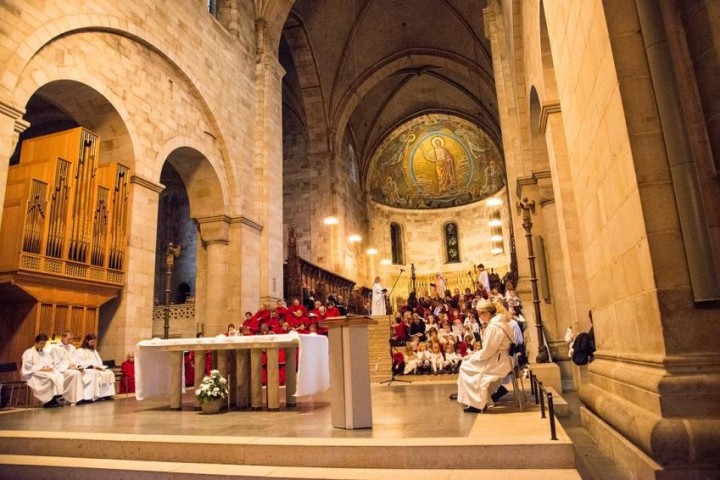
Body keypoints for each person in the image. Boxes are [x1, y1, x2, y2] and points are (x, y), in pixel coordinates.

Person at [452, 299, 515, 413]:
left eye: (480, 314)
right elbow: (489, 350)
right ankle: (483, 400)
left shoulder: (495, 327)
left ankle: (477, 403)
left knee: (465, 367)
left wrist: (473, 357)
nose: (479, 317)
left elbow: (488, 351)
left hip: (498, 361)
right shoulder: (499, 323)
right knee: (468, 364)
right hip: (499, 358)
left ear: (486, 313)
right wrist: (475, 356)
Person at [21, 333, 66, 408]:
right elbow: (27, 366)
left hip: (44, 371)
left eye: (44, 344)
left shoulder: (45, 352)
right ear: (36, 342)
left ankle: (55, 398)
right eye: (41, 343)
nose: (43, 345)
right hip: (33, 373)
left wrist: (49, 367)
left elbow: (50, 362)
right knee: (49, 379)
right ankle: (48, 401)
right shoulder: (29, 352)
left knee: (59, 375)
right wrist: (42, 368)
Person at [74, 333, 116, 401]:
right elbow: (78, 362)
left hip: (96, 368)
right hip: (86, 369)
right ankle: (89, 397)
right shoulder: (80, 351)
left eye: (94, 342)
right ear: (87, 341)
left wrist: (99, 366)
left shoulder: (94, 351)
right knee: (94, 374)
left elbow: (99, 361)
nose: (93, 344)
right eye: (92, 342)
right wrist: (91, 366)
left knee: (109, 372)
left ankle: (106, 394)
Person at [49, 332, 85, 405]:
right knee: (75, 374)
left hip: (71, 368)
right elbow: (56, 364)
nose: (70, 340)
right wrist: (68, 366)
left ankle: (78, 398)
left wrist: (78, 366)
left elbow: (76, 360)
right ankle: (72, 399)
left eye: (71, 339)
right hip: (61, 371)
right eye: (69, 338)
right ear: (63, 337)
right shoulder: (56, 348)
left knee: (81, 372)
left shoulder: (71, 347)